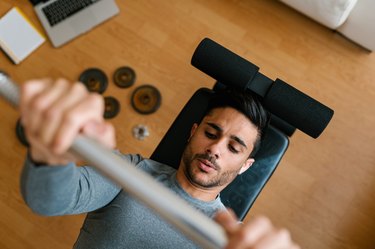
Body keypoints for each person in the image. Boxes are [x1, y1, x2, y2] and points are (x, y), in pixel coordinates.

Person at [19, 78, 300, 249]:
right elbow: (50, 200)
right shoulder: (130, 172)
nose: (215, 148)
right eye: (211, 133)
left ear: (245, 165)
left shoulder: (233, 239)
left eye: (233, 147)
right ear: (193, 132)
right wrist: (51, 155)